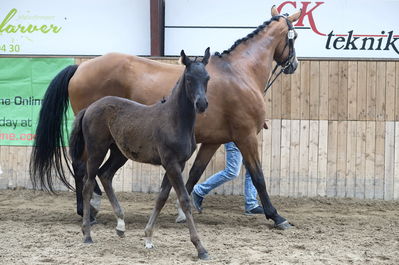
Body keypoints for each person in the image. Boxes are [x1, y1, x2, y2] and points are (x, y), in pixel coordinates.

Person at [191, 122, 268, 215]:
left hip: (245, 134)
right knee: (232, 171)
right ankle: (198, 191)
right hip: (234, 136)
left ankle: (251, 205)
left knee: (252, 169)